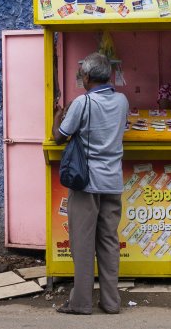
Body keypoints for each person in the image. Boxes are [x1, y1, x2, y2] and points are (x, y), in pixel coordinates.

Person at [52, 52, 129, 315]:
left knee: (83, 244)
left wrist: (58, 115)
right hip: (112, 181)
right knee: (108, 241)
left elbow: (60, 137)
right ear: (107, 75)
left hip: (85, 183)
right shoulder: (122, 101)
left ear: (86, 77)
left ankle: (81, 303)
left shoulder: (82, 103)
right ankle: (111, 302)